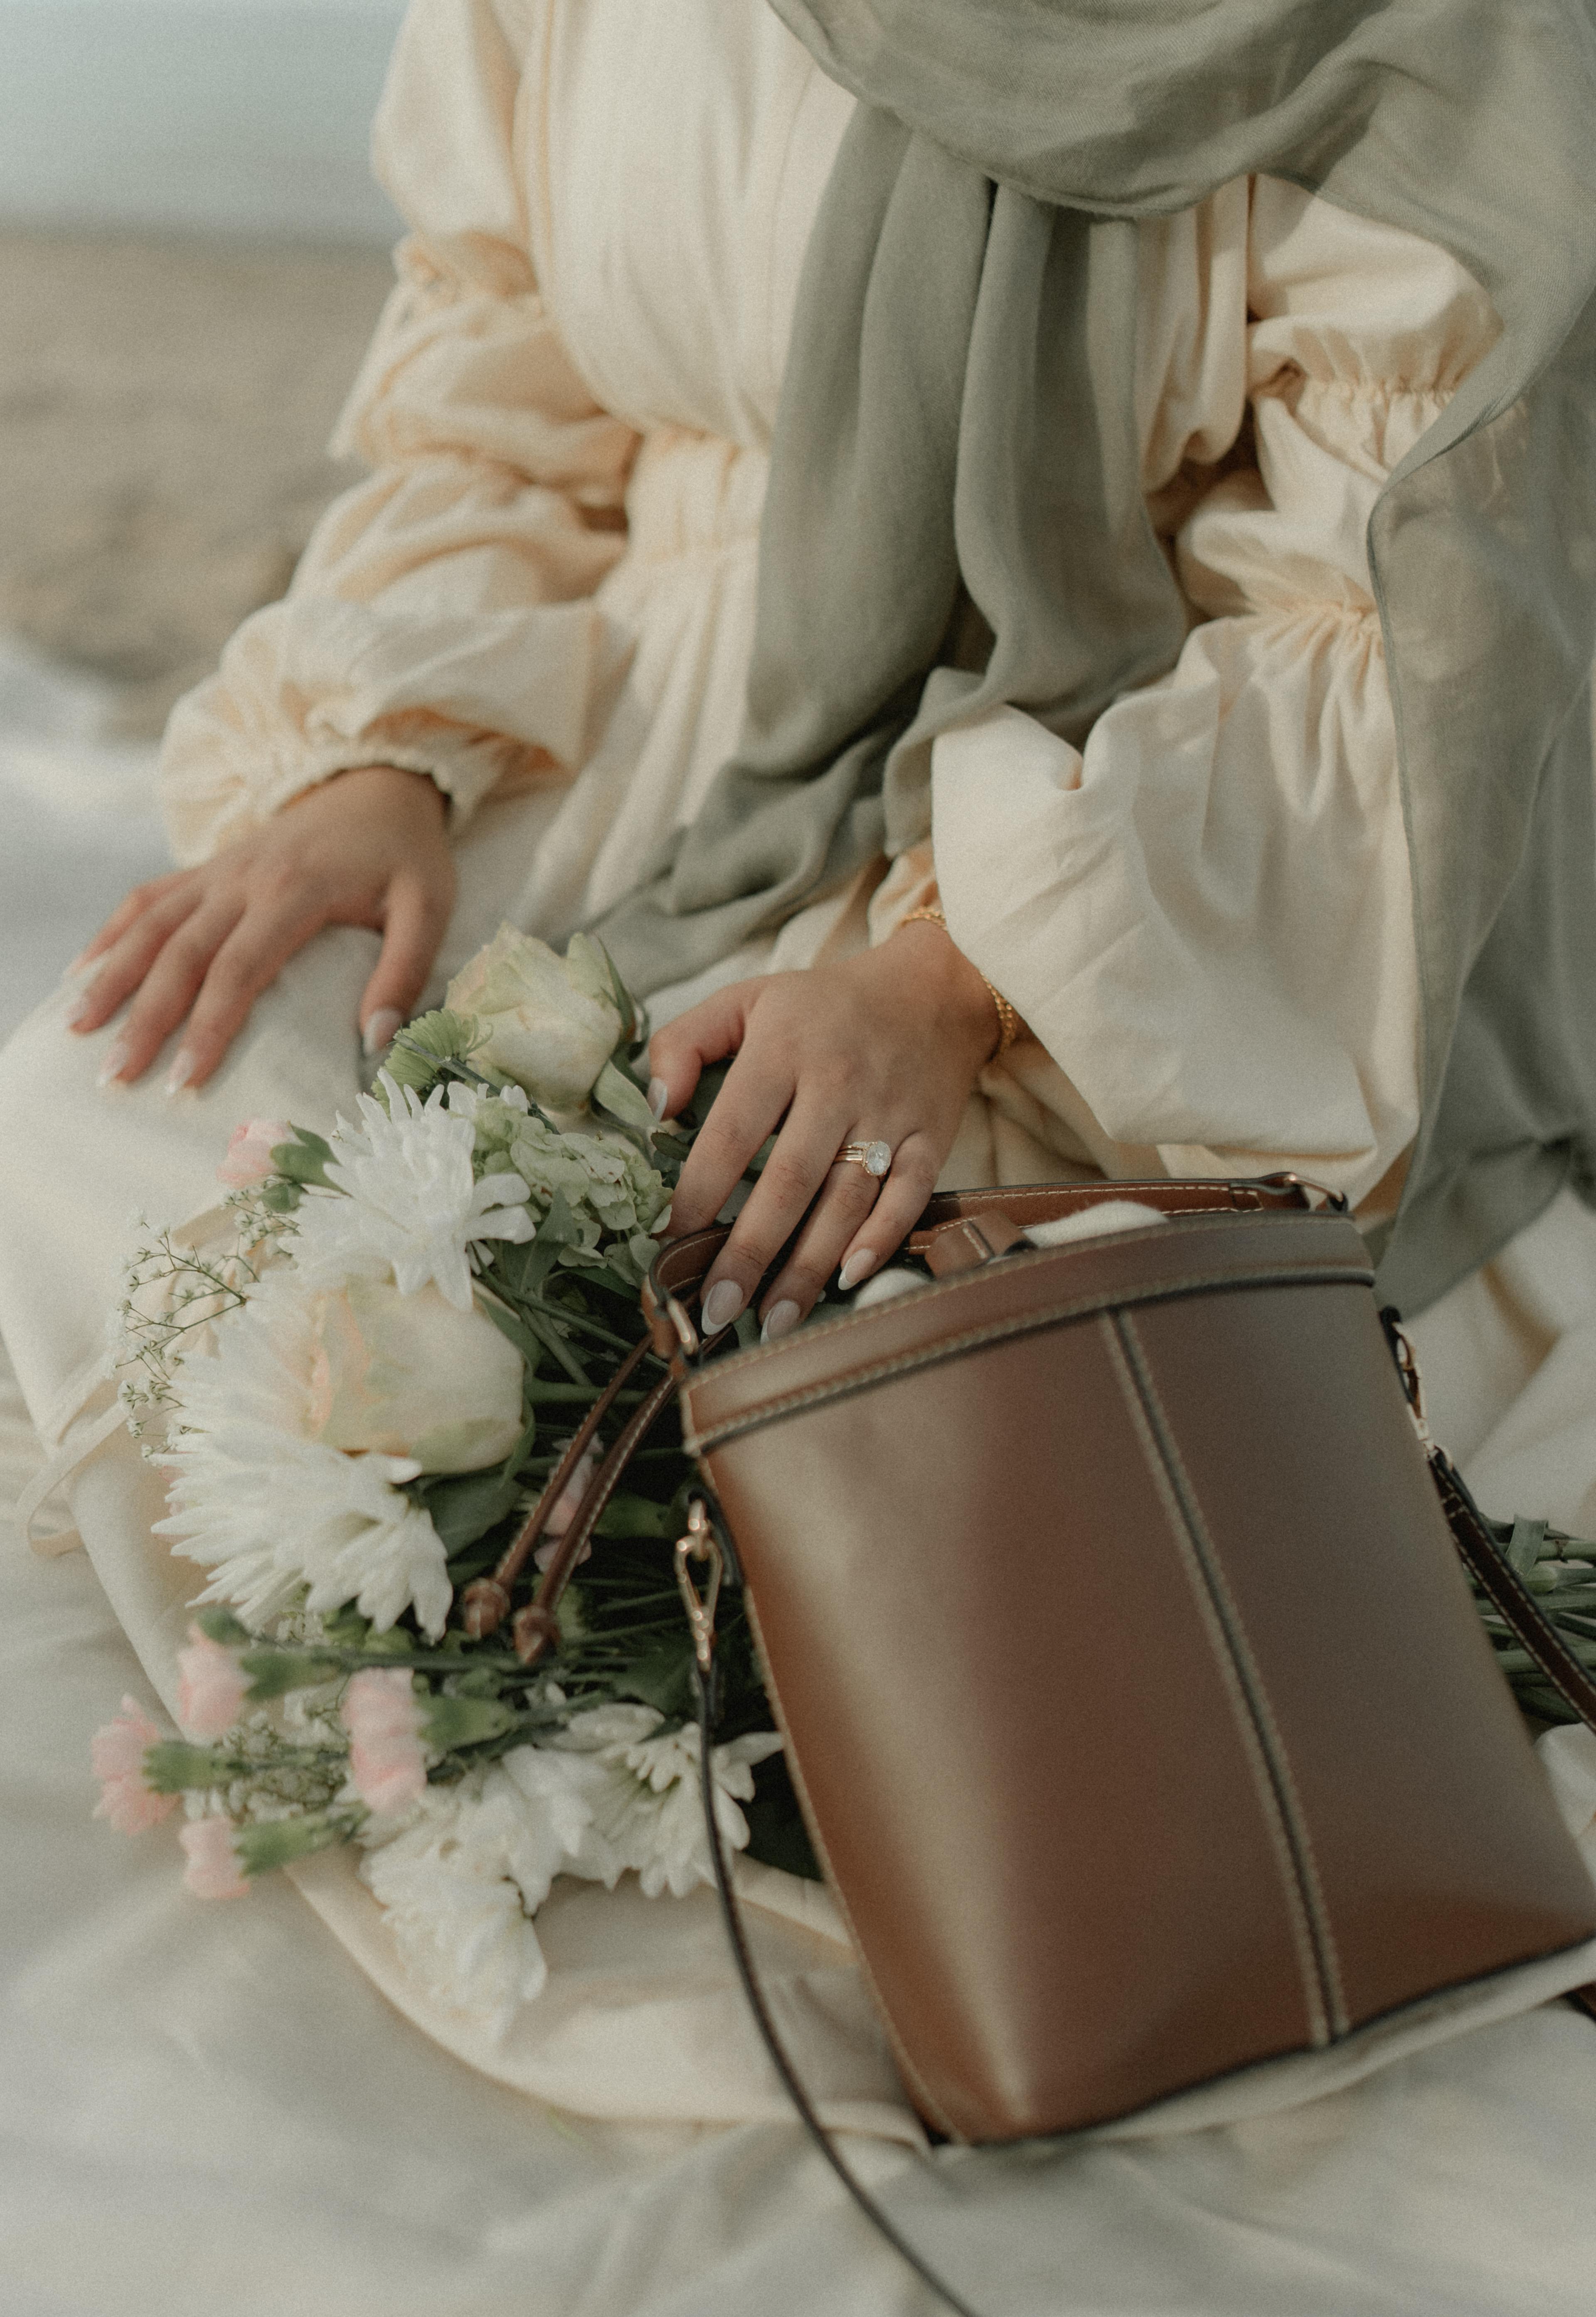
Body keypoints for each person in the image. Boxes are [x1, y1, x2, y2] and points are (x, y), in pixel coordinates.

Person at [3, 3, 1596, 2309]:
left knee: (874, 1413)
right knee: (132, 1084)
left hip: (1119, 824)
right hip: (646, 726)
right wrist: (390, 754)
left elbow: (1376, 615)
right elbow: (505, 365)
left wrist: (959, 982)